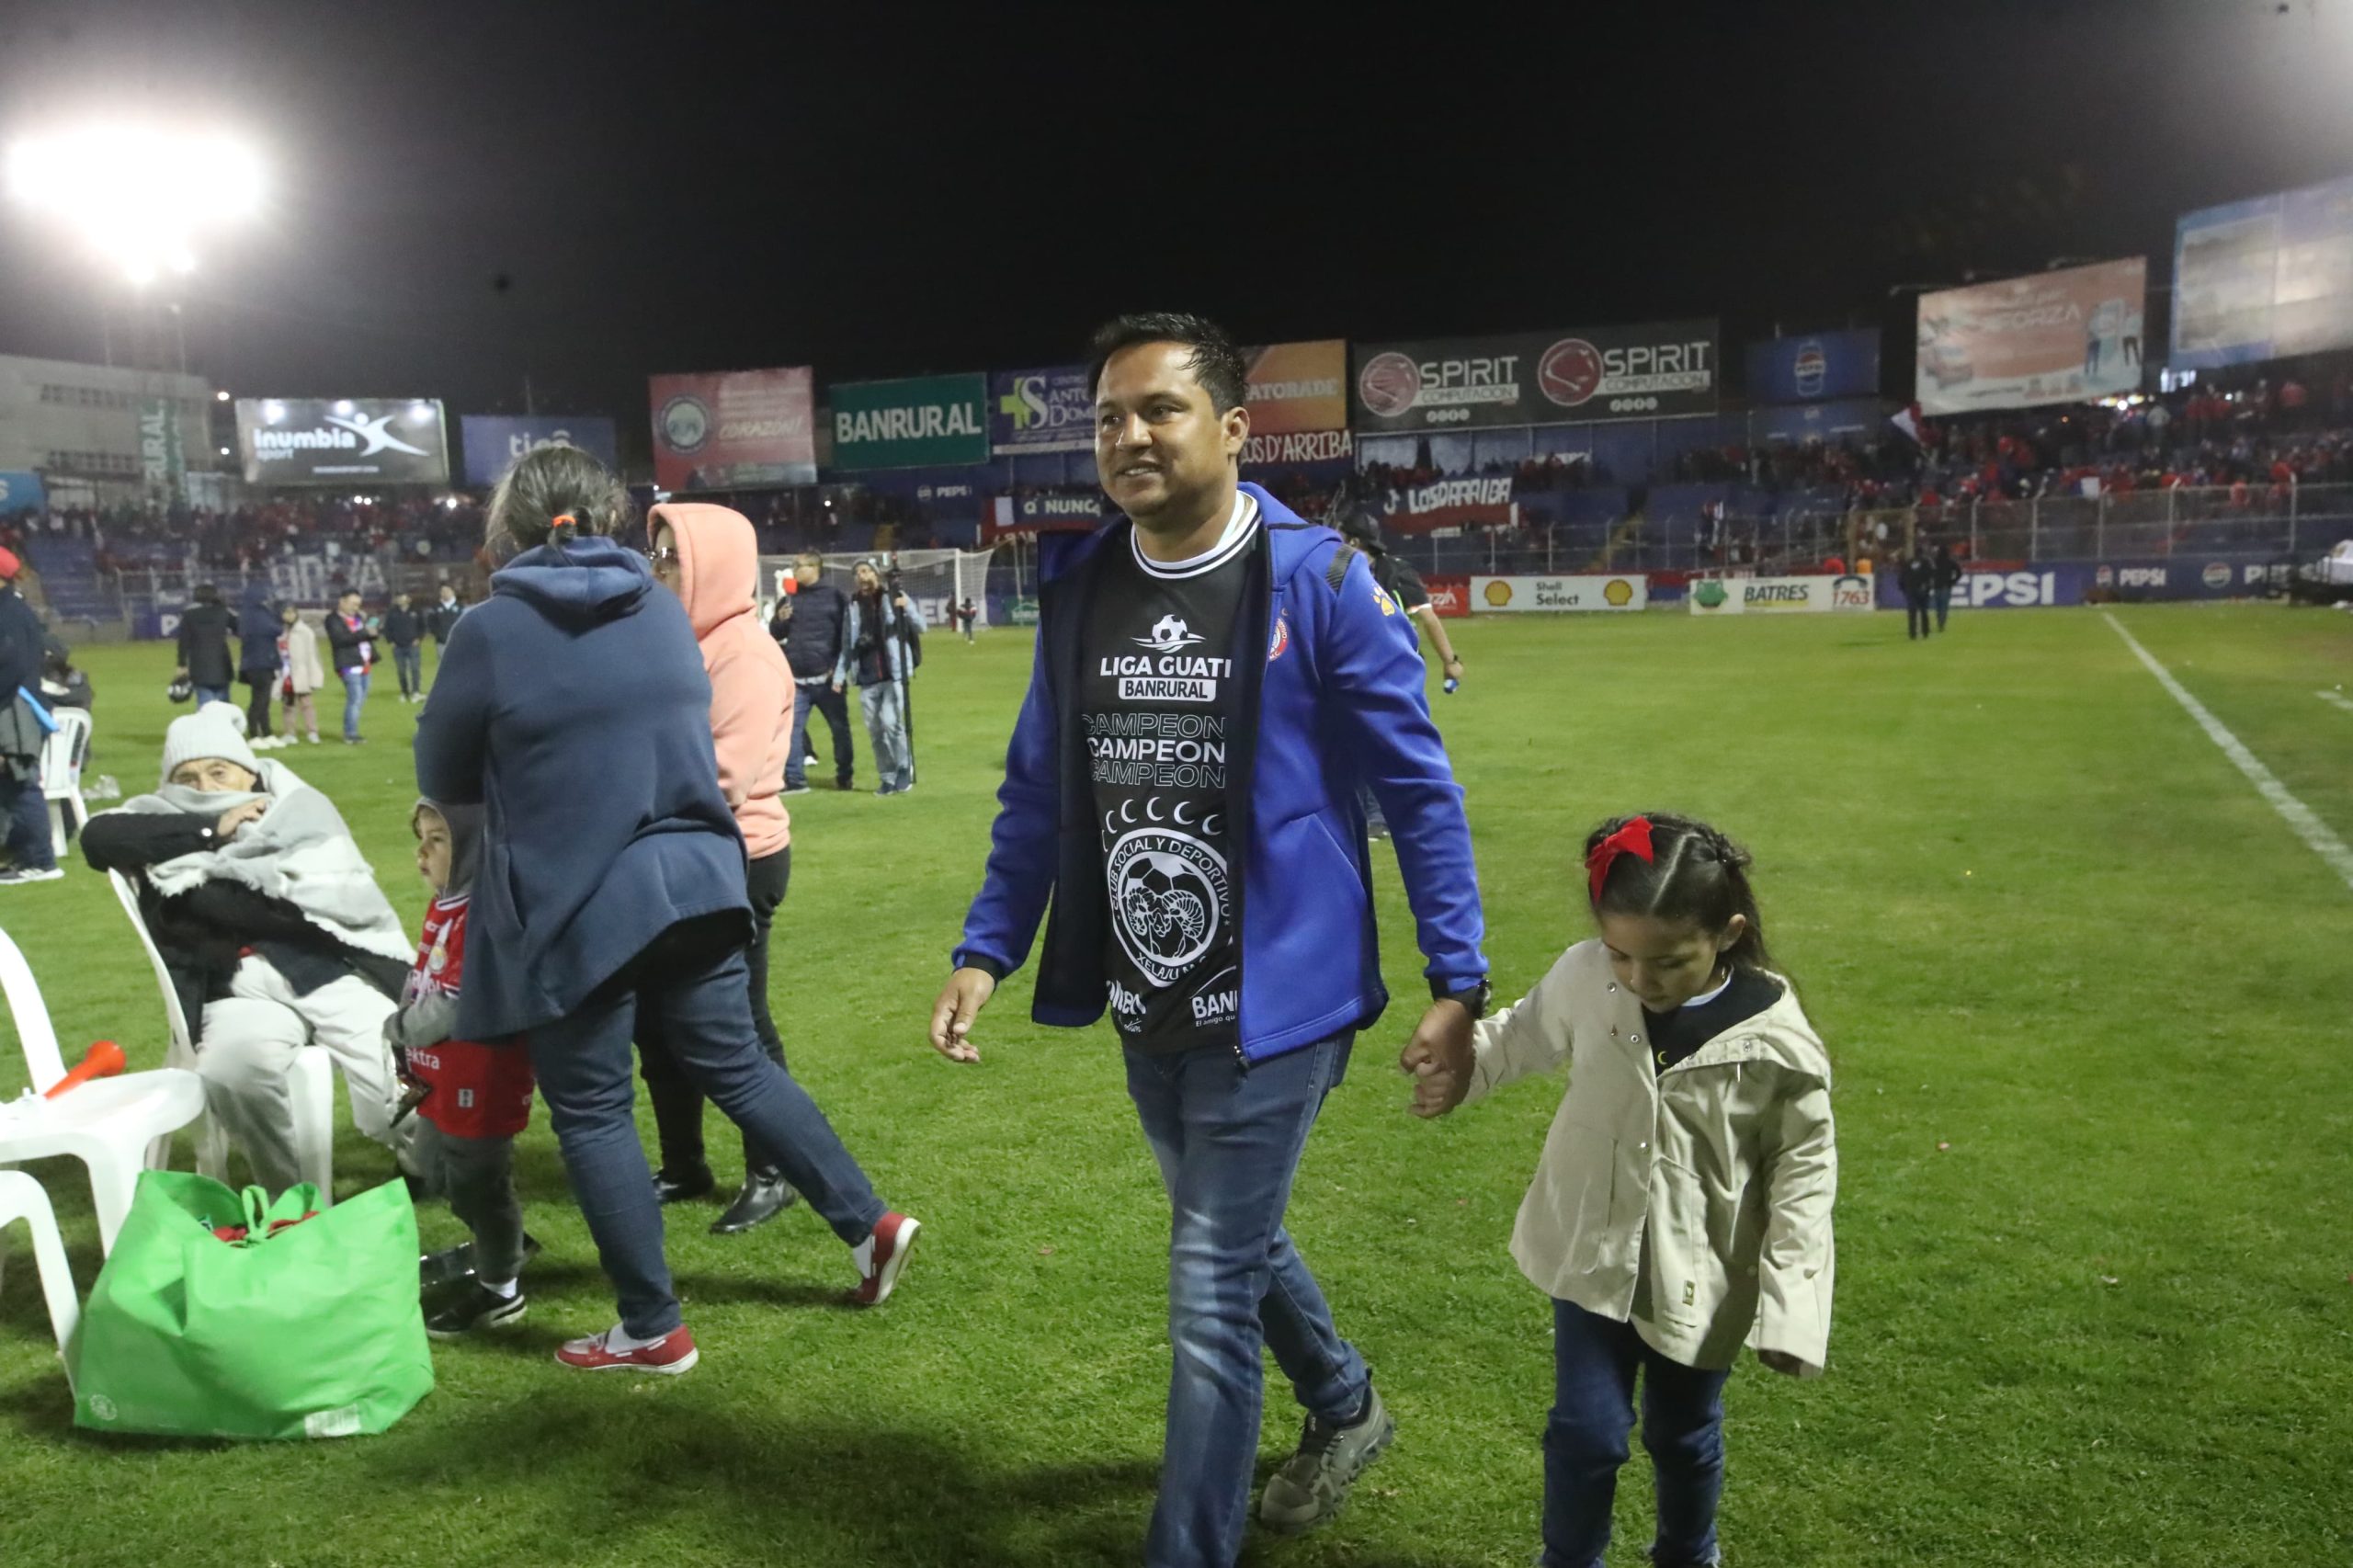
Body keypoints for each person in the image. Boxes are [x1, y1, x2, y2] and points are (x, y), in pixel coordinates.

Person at [931, 313, 1489, 1566]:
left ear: (1233, 428)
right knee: (1228, 1230)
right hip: (1146, 984)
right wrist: (987, 947)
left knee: (1206, 1290)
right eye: (1109, 416)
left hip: (1277, 999)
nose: (1129, 435)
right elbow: (1038, 789)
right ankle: (1345, 1403)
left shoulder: (1325, 579)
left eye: (1160, 409)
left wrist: (1460, 975)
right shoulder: (1079, 589)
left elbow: (1419, 791)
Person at [416, 444, 917, 1376]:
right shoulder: (658, 605)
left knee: (596, 1111)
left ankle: (652, 1328)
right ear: (605, 517)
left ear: (510, 529)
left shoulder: (489, 627)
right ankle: (869, 1223)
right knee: (740, 1065)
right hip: (697, 879)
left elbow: (440, 778)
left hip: (575, 900)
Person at [1401, 812, 1836, 1568]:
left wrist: (1793, 1311)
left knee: (1682, 1433)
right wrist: (1460, 1066)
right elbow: (1520, 1035)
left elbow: (1802, 1176)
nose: (1641, 979)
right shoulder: (1586, 975)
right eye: (1622, 955)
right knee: (1586, 1432)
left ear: (1728, 933)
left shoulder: (1777, 1041)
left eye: (1669, 961)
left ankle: (1687, 1553)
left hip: (1702, 1275)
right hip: (1589, 1250)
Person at [82, 704, 415, 1193]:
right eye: (187, 776)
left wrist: (215, 885)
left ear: (249, 773)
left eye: (219, 771)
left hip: (322, 972)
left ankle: (421, 1164)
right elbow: (95, 837)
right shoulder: (156, 824)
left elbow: (312, 908)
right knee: (232, 1069)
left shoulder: (295, 809)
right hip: (233, 989)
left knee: (397, 1061)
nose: (204, 786)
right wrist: (210, 832)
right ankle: (290, 1202)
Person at [642, 501, 801, 1235]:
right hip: (680, 855)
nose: (660, 568)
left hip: (736, 859)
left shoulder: (741, 651)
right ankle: (682, 1164)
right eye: (659, 554)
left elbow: (722, 777)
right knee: (656, 1022)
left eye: (675, 556)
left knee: (737, 1024)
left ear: (716, 565)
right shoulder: (679, 641)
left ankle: (775, 1172)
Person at [390, 797, 540, 1336]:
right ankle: (502, 1238)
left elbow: (456, 999)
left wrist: (401, 1028)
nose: (421, 854)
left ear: (475, 845)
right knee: (435, 1167)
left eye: (437, 839)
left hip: (481, 1075)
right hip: (439, 1074)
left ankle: (501, 1291)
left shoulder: (484, 914)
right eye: (421, 839)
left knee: (479, 1182)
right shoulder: (446, 902)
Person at [835, 560, 920, 796]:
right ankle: (887, 776)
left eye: (865, 571)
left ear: (875, 574)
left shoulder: (892, 596)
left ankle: (904, 767)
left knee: (892, 723)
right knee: (875, 731)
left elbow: (920, 626)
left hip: (893, 675)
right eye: (857, 573)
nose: (861, 576)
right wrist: (840, 675)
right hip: (866, 677)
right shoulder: (852, 604)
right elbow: (846, 642)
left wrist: (906, 607)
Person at [0, 549, 58, 885]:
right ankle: (24, 856)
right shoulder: (15, 608)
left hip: (14, 709)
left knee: (22, 784)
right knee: (12, 785)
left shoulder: (8, 613)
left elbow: (11, 667)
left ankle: (41, 860)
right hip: (19, 705)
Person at [779, 553, 855, 793]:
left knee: (839, 729)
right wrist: (780, 620)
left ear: (814, 568)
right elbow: (775, 632)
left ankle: (844, 774)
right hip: (797, 678)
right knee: (792, 730)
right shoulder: (790, 596)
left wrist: (838, 667)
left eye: (798, 566)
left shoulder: (835, 596)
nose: (794, 570)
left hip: (827, 679)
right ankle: (795, 779)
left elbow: (846, 635)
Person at [176, 582, 238, 708]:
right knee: (224, 704)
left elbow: (183, 642)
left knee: (205, 704)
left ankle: (206, 725)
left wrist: (181, 664)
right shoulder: (223, 612)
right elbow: (239, 628)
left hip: (199, 665)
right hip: (222, 663)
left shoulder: (189, 615)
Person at [324, 588, 374, 744]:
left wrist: (373, 632)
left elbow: (365, 637)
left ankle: (351, 730)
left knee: (360, 699)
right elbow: (340, 639)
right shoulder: (333, 620)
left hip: (364, 664)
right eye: (353, 604)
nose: (356, 607)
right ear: (342, 602)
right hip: (348, 664)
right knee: (355, 698)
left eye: (358, 604)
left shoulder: (359, 618)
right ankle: (350, 733)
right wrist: (365, 633)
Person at [237, 585, 282, 749]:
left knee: (262, 699)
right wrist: (277, 614)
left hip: (252, 662)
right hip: (262, 661)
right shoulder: (259, 614)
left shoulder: (245, 614)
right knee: (260, 700)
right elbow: (276, 629)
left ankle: (267, 733)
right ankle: (254, 735)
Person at [278, 603, 324, 745]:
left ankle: (312, 732)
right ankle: (290, 733)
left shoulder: (305, 631)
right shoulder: (279, 631)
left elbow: (312, 655)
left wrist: (314, 676)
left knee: (306, 703)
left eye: (292, 612)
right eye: (286, 613)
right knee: (288, 704)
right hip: (285, 673)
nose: (289, 616)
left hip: (302, 673)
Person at [384, 591, 426, 703]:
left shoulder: (416, 611)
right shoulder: (392, 612)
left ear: (408, 599)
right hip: (398, 646)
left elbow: (422, 626)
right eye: (398, 598)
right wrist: (390, 641)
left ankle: (415, 692)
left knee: (415, 669)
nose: (400, 600)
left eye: (402, 597)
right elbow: (387, 628)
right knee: (401, 670)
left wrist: (419, 638)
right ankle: (404, 692)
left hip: (413, 645)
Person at [1900, 545, 1937, 641]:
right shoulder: (1927, 561)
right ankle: (1925, 632)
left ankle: (1912, 633)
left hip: (1910, 590)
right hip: (1923, 589)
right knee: (1924, 611)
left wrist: (1903, 588)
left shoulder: (1909, 562)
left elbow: (1902, 576)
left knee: (1912, 612)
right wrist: (1929, 586)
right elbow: (1932, 574)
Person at [1933, 541, 1962, 631]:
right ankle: (1942, 624)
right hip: (1946, 586)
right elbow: (1959, 572)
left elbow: (1930, 572)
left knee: (1938, 606)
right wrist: (1953, 581)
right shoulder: (1950, 562)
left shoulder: (1935, 562)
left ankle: (1939, 622)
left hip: (1937, 586)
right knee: (1944, 607)